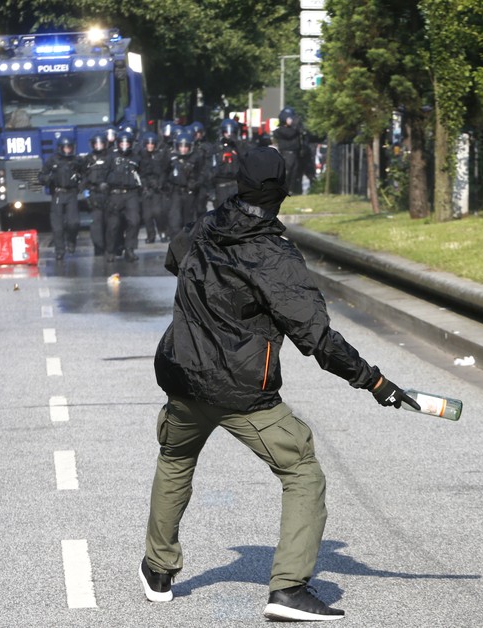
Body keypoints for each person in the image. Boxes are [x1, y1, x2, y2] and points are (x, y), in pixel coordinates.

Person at [140, 147, 421, 621]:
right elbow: (317, 337)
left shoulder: (205, 226)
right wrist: (374, 381)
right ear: (283, 192)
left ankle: (158, 570)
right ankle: (288, 590)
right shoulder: (274, 256)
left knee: (175, 457)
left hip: (181, 374)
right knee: (302, 471)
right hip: (240, 390)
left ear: (238, 183)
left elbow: (177, 258)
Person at [38, 136, 82, 260]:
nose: (68, 150)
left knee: (74, 222)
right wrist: (49, 178)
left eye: (70, 148)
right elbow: (41, 176)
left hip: (71, 193)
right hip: (57, 193)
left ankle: (71, 240)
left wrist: (81, 182)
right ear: (60, 148)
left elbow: (86, 175)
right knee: (57, 226)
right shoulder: (53, 160)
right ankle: (59, 250)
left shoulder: (77, 161)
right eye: (65, 148)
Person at [104, 130, 141, 262]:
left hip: (131, 193)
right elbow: (103, 174)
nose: (124, 145)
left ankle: (130, 249)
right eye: (122, 143)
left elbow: (143, 175)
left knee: (134, 221)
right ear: (118, 144)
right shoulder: (110, 157)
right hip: (115, 194)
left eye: (127, 143)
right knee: (113, 224)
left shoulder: (136, 158)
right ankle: (110, 250)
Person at [165, 129, 202, 235]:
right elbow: (164, 172)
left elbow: (203, 173)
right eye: (181, 146)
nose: (183, 149)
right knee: (175, 220)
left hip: (190, 192)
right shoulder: (171, 158)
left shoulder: (196, 158)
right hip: (175, 191)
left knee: (188, 221)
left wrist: (196, 183)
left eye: (186, 146)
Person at [80, 133, 111, 256]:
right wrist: (86, 194)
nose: (98, 146)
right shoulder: (87, 159)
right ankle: (98, 248)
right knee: (96, 224)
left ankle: (111, 248)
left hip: (109, 194)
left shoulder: (110, 157)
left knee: (110, 223)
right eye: (96, 144)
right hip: (94, 194)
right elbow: (83, 178)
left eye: (101, 143)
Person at [138, 132, 168, 243]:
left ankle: (162, 232)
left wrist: (159, 183)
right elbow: (139, 173)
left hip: (157, 188)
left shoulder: (160, 156)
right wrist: (145, 185)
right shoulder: (141, 156)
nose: (150, 146)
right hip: (146, 188)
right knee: (147, 215)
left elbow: (164, 171)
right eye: (148, 144)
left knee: (158, 212)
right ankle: (151, 235)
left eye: (152, 144)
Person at [210, 118, 245, 206]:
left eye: (232, 132)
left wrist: (237, 144)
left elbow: (246, 159)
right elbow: (211, 166)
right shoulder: (217, 147)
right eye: (226, 132)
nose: (229, 135)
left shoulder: (239, 146)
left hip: (235, 184)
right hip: (221, 184)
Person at [272, 107, 304, 195]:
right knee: (288, 172)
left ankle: (292, 190)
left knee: (295, 173)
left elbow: (301, 132)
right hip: (287, 154)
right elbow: (289, 134)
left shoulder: (295, 129)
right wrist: (294, 125)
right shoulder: (280, 130)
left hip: (295, 153)